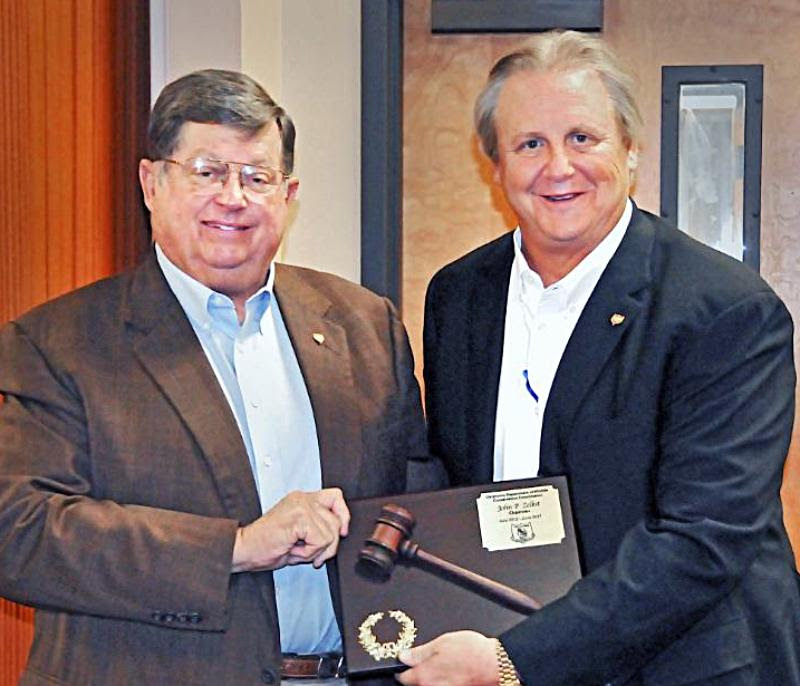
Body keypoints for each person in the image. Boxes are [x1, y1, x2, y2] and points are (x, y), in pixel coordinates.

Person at [0, 69, 427, 686]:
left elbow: (417, 502)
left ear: (288, 194)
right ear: (152, 182)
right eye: (206, 172)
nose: (233, 197)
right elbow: (22, 532)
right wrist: (240, 546)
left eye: (257, 177)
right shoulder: (59, 343)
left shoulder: (364, 326)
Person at [402, 30, 800, 686]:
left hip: (686, 666)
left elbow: (702, 542)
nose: (559, 167)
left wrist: (514, 660)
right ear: (494, 165)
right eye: (530, 144)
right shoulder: (460, 295)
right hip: (509, 641)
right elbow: (458, 485)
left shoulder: (725, 310)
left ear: (631, 149)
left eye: (583, 138)